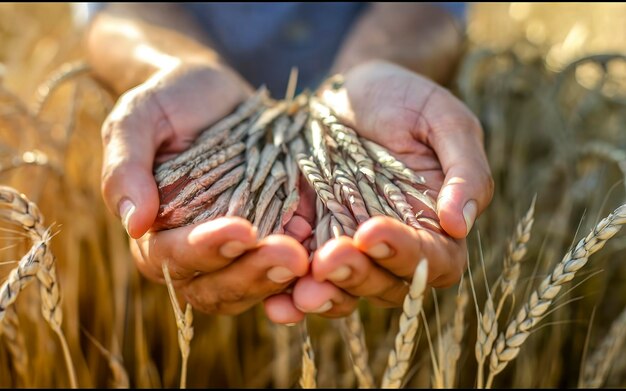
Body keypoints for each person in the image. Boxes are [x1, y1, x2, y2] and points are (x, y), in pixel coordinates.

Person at [84, 3, 493, 324]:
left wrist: (369, 66)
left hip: (362, 75)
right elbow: (115, 7)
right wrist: (176, 66)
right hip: (205, 91)